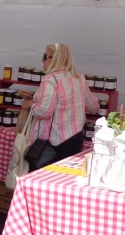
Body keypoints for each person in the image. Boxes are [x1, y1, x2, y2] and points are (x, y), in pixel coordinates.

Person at [18, 42, 99, 171]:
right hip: (75, 138)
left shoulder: (51, 80)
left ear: (55, 59)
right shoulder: (79, 78)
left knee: (45, 180)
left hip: (54, 142)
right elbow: (94, 107)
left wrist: (30, 105)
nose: (42, 60)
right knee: (65, 179)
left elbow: (44, 111)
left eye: (45, 56)